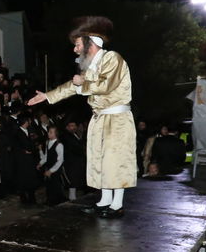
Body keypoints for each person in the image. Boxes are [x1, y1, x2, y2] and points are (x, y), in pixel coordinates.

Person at [29, 16, 136, 218]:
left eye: (77, 44)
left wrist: (83, 83)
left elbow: (106, 85)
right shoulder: (90, 67)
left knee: (115, 161)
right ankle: (105, 201)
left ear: (89, 42)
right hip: (99, 118)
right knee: (100, 162)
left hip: (117, 119)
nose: (75, 49)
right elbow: (73, 86)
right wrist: (48, 96)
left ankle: (117, 205)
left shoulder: (112, 58)